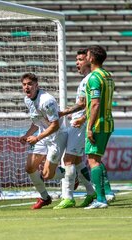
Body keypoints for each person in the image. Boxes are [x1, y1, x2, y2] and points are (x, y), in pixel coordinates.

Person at [60, 45, 115, 209]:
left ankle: (100, 199)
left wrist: (88, 125)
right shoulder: (108, 76)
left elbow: (95, 104)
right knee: (94, 159)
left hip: (97, 123)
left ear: (91, 58)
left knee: (93, 161)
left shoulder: (93, 78)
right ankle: (102, 195)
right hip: (108, 122)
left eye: (86, 56)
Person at [53, 49, 96, 209]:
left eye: (80, 59)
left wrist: (67, 112)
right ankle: (91, 192)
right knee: (77, 161)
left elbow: (86, 103)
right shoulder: (86, 79)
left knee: (68, 159)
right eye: (76, 60)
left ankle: (68, 197)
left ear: (88, 60)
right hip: (79, 121)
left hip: (80, 124)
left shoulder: (88, 80)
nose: (77, 63)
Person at [19, 73, 68, 209]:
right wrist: (27, 135)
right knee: (30, 167)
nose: (26, 87)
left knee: (47, 175)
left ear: (36, 85)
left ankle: (71, 174)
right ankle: (45, 197)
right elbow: (37, 122)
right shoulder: (28, 100)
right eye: (24, 84)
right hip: (42, 136)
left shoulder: (47, 100)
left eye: (29, 84)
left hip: (56, 137)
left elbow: (55, 125)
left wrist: (36, 138)